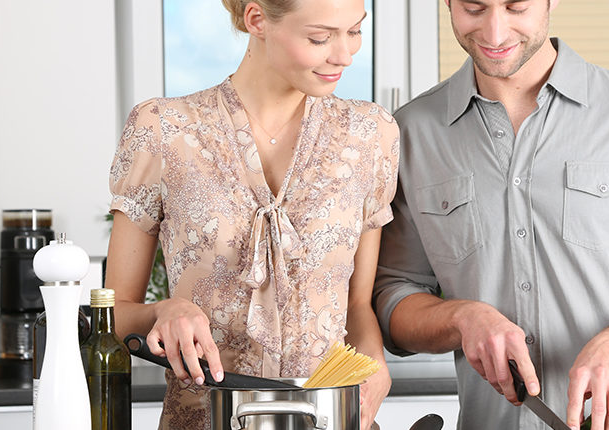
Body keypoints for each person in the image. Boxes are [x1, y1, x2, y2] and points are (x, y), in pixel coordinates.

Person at [373, 1, 609, 430]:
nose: (495, 31)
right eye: (474, 8)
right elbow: (394, 296)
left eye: (516, 6)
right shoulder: (410, 132)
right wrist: (462, 317)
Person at [105, 0, 398, 428]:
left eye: (354, 31)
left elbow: (357, 304)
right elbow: (112, 313)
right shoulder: (163, 129)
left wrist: (374, 367)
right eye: (320, 38)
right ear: (256, 19)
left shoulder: (372, 133)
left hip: (331, 419)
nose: (345, 55)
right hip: (205, 419)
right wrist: (163, 311)